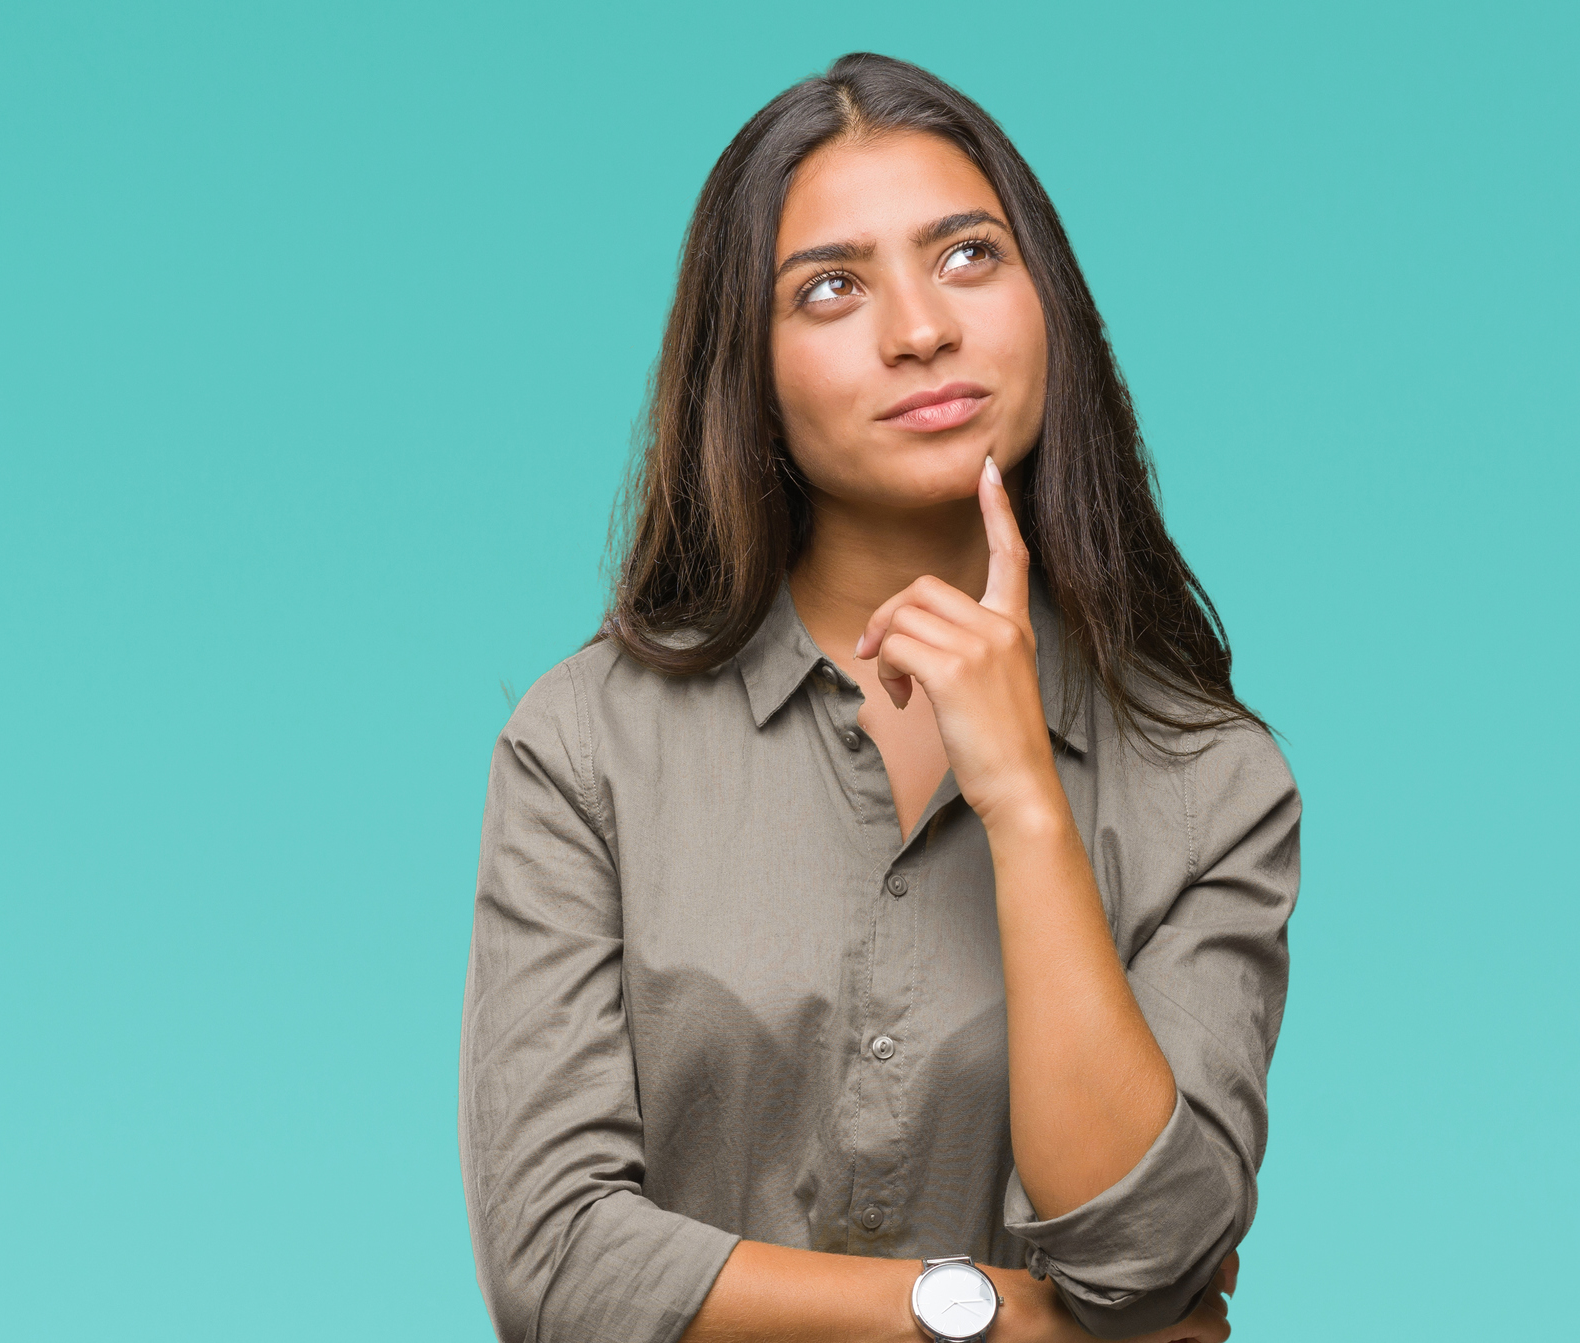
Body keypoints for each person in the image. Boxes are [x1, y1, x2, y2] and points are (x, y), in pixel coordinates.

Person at [457, 53, 1299, 1343]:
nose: (921, 328)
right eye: (833, 287)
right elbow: (560, 1268)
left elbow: (1146, 1250)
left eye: (968, 256)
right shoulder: (587, 746)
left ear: (1047, 301)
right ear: (749, 366)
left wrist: (1023, 796)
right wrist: (987, 1319)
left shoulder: (1211, 781)